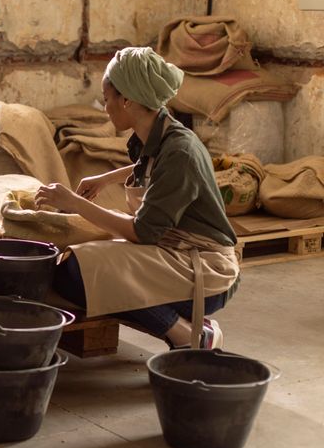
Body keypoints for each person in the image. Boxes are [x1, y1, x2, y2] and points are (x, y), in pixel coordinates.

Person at [35, 47, 239, 349]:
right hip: (173, 251)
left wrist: (76, 204)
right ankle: (184, 327)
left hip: (207, 271)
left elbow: (141, 232)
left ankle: (188, 333)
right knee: (78, 265)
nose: (105, 109)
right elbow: (154, 166)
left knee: (79, 274)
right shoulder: (160, 134)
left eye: (107, 99)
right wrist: (105, 179)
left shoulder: (181, 150)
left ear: (127, 100)